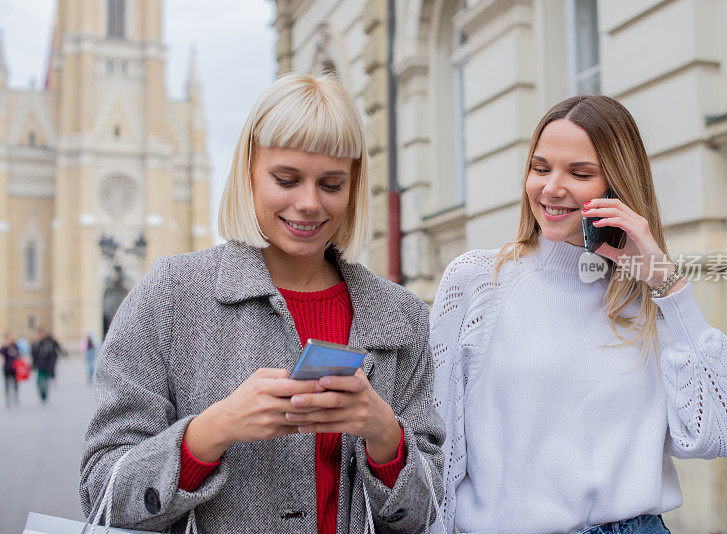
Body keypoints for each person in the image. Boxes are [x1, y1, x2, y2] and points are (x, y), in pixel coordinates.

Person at [80, 73, 445, 534]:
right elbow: (100, 490)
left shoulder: (402, 316)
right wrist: (210, 432)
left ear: (354, 186)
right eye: (286, 179)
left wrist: (385, 438)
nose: (309, 203)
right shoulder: (172, 295)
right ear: (248, 169)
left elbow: (429, 510)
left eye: (331, 184)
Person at [430, 95, 727, 534]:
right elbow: (439, 446)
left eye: (580, 174)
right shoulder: (476, 282)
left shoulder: (649, 297)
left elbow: (726, 432)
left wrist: (668, 288)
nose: (551, 188)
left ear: (616, 186)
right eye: (540, 168)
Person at [32, 329, 63, 403]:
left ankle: (45, 394)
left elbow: (51, 355)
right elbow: (34, 355)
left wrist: (51, 366)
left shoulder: (48, 344)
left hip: (46, 366)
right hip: (39, 366)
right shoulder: (36, 344)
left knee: (45, 381)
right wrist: (33, 365)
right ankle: (42, 394)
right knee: (39, 381)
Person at [2, 333, 20, 407]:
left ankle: (15, 395)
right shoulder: (4, 348)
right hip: (6, 368)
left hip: (14, 368)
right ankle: (7, 397)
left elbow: (18, 354)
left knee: (15, 383)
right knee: (7, 383)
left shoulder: (15, 346)